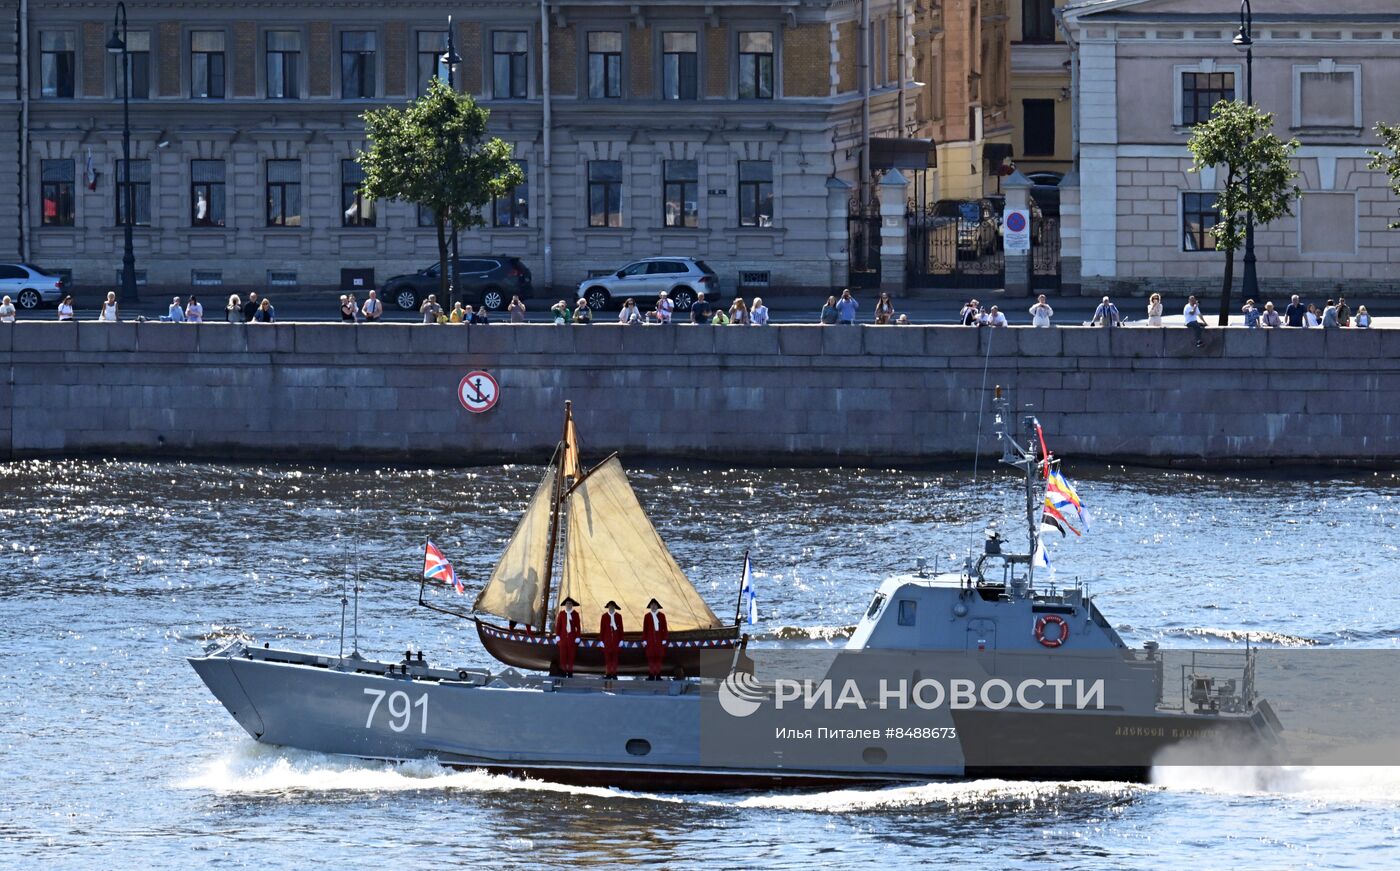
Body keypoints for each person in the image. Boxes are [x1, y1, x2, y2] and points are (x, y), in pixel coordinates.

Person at [554, 596, 582, 678]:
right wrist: (557, 636)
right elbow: (558, 626)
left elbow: (578, 627)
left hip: (572, 639)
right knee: (563, 656)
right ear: (565, 605)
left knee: (571, 656)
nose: (568, 605)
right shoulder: (562, 614)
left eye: (570, 604)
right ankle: (563, 671)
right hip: (563, 639)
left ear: (572, 605)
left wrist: (578, 636)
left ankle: (570, 671)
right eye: (567, 604)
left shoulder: (575, 614)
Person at [642, 598, 668, 680]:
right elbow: (645, 629)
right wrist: (644, 639)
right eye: (652, 605)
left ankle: (658, 675)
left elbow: (665, 628)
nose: (653, 607)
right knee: (651, 658)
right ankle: (651, 675)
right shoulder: (647, 616)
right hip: (650, 641)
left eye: (655, 605)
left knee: (658, 658)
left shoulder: (662, 616)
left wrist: (664, 639)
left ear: (657, 607)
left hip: (659, 640)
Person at [599, 600, 624, 680]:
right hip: (607, 641)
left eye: (613, 606)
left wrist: (621, 640)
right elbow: (602, 629)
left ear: (615, 608)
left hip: (616, 642)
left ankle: (614, 674)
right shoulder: (604, 616)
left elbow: (621, 629)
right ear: (608, 607)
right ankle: (608, 673)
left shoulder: (618, 616)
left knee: (615, 659)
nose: (611, 608)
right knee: (607, 659)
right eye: (610, 606)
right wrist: (601, 640)